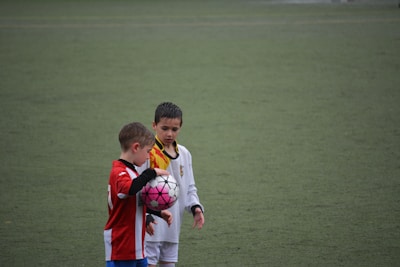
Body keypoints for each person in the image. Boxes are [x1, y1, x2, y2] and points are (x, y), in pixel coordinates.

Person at [137, 102, 205, 267]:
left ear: (180, 128)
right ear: (154, 125)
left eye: (174, 129)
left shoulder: (184, 154)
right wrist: (146, 216)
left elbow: (189, 187)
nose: (169, 133)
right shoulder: (148, 153)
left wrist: (195, 207)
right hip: (150, 227)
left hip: (172, 227)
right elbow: (136, 187)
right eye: (164, 128)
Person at [104, 122, 173, 267]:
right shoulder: (119, 172)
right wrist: (151, 172)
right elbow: (129, 189)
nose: (149, 157)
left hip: (137, 248)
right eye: (148, 151)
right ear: (136, 147)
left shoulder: (133, 172)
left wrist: (158, 212)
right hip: (121, 248)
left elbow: (135, 202)